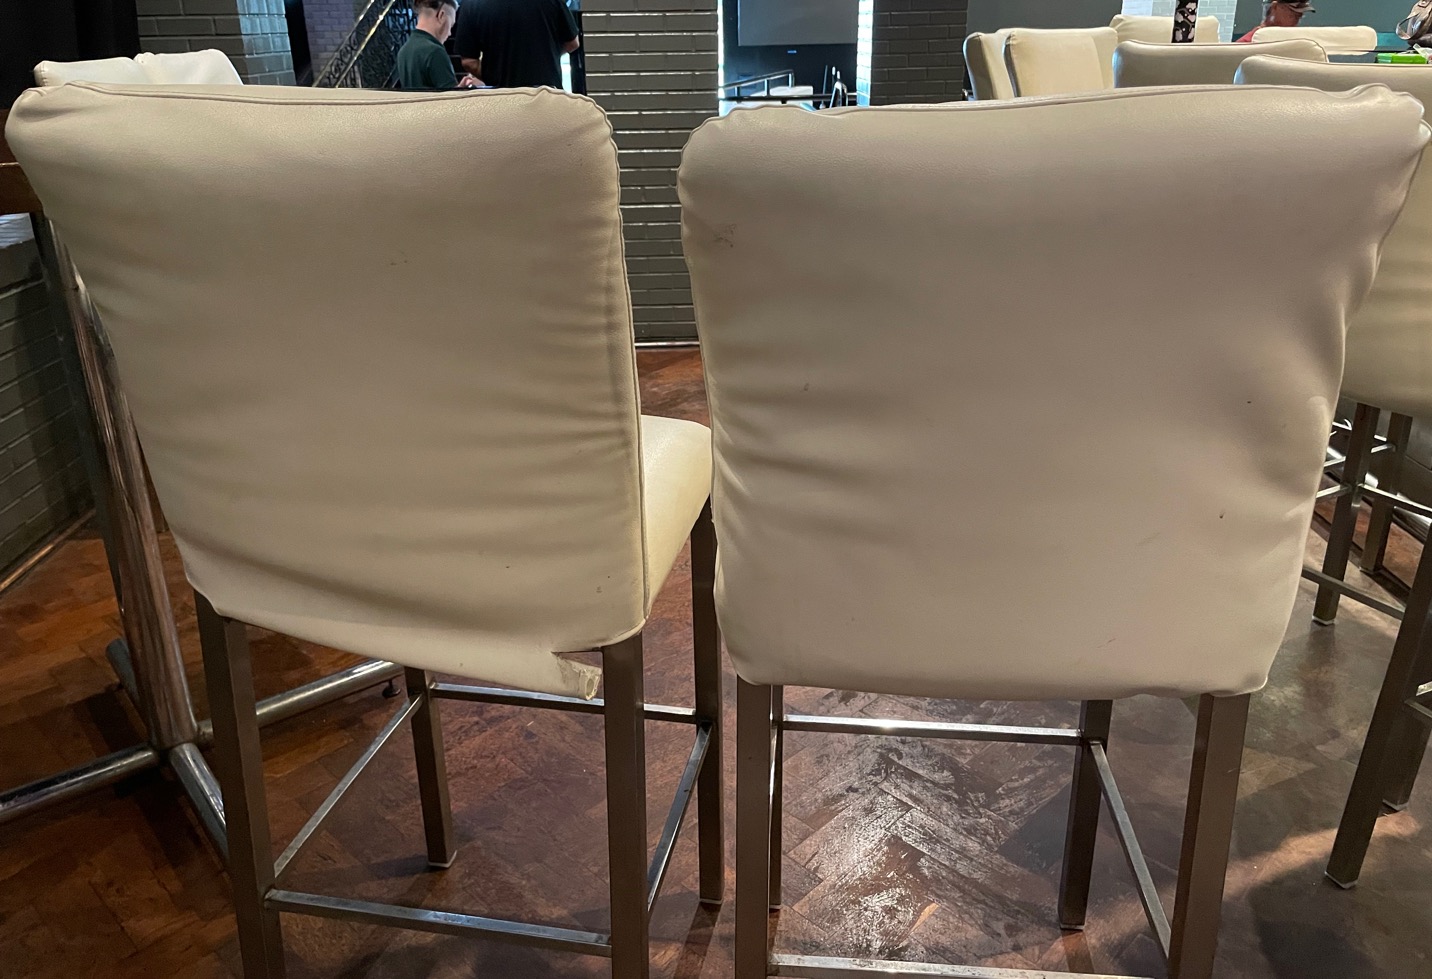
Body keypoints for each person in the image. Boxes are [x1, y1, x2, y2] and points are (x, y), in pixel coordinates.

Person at [453, 0, 580, 90]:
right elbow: (572, 43)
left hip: (502, 97)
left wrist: (494, 76)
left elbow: (469, 62)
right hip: (546, 95)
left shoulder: (472, 4)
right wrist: (545, 56)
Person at [396, 0, 481, 90]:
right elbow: (450, 97)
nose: (449, 33)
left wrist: (459, 88)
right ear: (441, 15)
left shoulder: (404, 51)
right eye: (451, 25)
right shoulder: (434, 51)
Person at [1238, 1, 1315, 41]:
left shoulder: (1297, 45)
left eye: (1299, 16)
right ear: (1274, 7)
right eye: (1292, 14)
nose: (1296, 20)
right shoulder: (1247, 43)